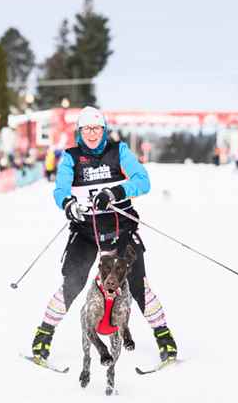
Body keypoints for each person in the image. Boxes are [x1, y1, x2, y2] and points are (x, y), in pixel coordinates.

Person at [30, 106, 178, 365]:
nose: (91, 133)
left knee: (137, 285)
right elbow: (60, 189)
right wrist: (68, 204)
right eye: (86, 128)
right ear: (79, 131)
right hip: (86, 231)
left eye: (97, 128)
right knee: (72, 283)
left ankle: (165, 339)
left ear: (104, 130)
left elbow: (142, 180)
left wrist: (114, 193)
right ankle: (43, 335)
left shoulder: (118, 151)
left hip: (121, 229)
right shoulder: (71, 157)